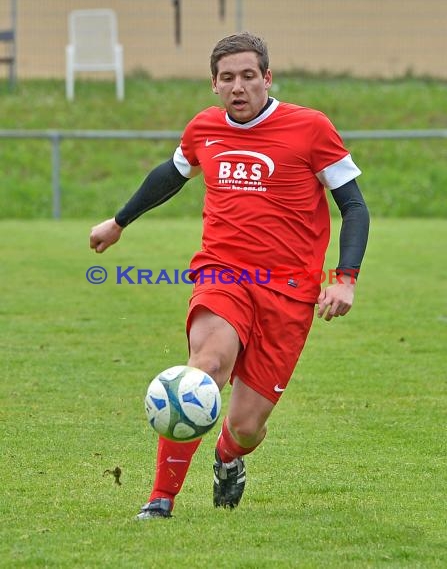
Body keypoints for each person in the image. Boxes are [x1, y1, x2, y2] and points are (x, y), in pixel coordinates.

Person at [89, 32, 369, 520]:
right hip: (223, 274)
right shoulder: (203, 129)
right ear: (214, 84)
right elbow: (172, 174)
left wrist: (345, 278)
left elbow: (354, 207)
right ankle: (161, 500)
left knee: (244, 426)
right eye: (227, 78)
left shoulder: (310, 128)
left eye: (247, 76)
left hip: (289, 290)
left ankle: (228, 458)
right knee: (206, 367)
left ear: (267, 77)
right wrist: (118, 222)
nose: (238, 86)